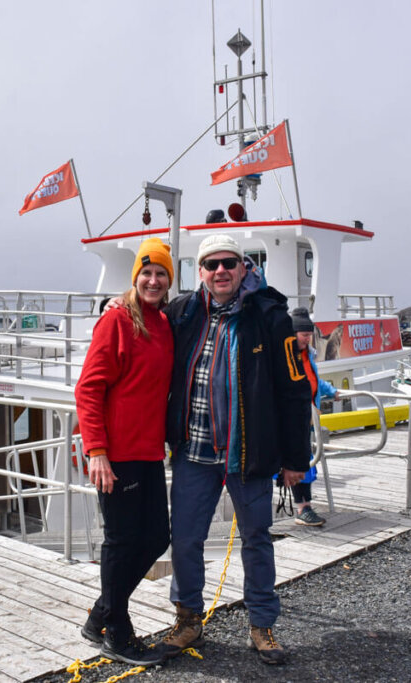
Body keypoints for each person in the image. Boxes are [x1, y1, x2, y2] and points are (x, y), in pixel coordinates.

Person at [159, 233, 311, 666]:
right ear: (201, 272)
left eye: (229, 263)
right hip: (194, 452)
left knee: (257, 540)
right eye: (211, 265)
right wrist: (116, 304)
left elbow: (295, 392)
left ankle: (262, 625)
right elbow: (142, 316)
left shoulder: (270, 315)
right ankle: (188, 620)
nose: (220, 271)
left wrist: (296, 460)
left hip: (250, 455)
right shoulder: (184, 312)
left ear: (244, 267)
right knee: (185, 540)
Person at [74, 238, 175, 667]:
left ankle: (101, 613)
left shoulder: (163, 322)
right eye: (146, 273)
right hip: (115, 455)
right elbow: (89, 388)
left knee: (156, 538)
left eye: (161, 273)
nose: (153, 280)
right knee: (122, 541)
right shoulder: (117, 320)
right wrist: (97, 451)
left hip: (149, 452)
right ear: (135, 276)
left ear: (170, 280)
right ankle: (116, 632)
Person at [287, 307, 338, 527]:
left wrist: (331, 391)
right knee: (299, 462)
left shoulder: (308, 355)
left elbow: (314, 379)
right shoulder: (286, 356)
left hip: (307, 418)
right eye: (304, 335)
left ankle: (304, 505)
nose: (308, 339)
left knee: (306, 462)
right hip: (293, 418)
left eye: (309, 335)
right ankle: (303, 508)